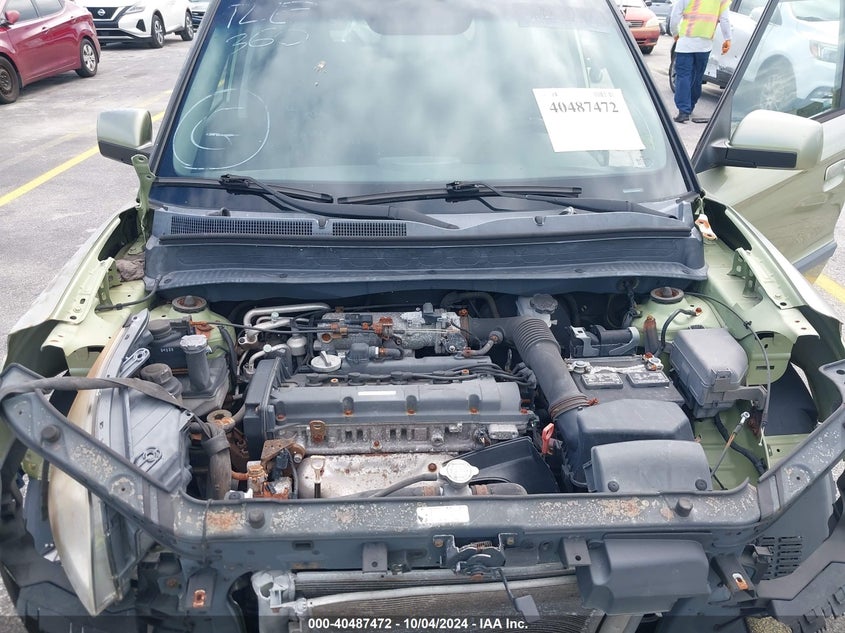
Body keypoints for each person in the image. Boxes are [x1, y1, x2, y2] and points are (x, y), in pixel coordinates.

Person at [669, 0, 732, 123]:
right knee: (697, 77)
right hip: (705, 45)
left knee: (683, 76)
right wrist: (728, 38)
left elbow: (675, 16)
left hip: (685, 42)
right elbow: (725, 19)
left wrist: (675, 33)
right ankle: (690, 105)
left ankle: (683, 111)